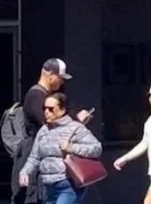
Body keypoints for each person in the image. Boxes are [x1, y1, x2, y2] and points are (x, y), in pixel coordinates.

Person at [13, 58, 92, 204]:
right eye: (60, 78)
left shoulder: (47, 96)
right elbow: (50, 125)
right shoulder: (36, 96)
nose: (62, 82)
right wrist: (76, 120)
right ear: (50, 75)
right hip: (38, 161)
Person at [19, 92, 102, 204]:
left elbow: (96, 148)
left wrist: (72, 148)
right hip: (48, 187)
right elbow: (34, 157)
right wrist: (25, 172)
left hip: (68, 185)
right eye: (44, 108)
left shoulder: (75, 128)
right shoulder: (43, 131)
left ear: (62, 110)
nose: (46, 112)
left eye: (51, 109)